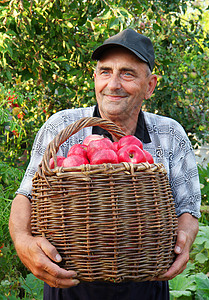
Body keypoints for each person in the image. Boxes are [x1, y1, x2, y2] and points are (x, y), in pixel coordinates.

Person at [9, 28, 201, 300]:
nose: (113, 84)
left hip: (145, 283)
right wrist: (23, 241)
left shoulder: (170, 135)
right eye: (105, 72)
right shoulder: (62, 127)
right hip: (70, 281)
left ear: (150, 86)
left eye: (127, 73)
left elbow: (189, 207)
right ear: (95, 78)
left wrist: (184, 238)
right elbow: (26, 194)